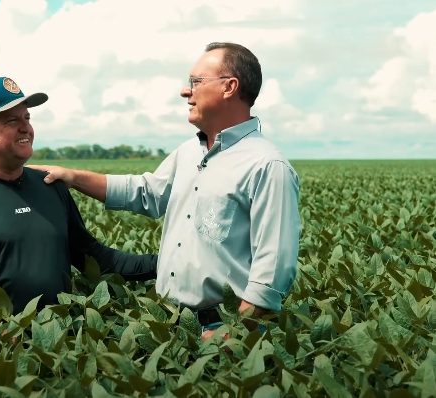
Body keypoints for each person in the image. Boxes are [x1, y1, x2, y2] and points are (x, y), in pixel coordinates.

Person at [27, 42, 302, 342]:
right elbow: (145, 192)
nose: (186, 92)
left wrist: (234, 333)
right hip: (169, 324)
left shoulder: (267, 165)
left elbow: (273, 268)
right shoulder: (188, 152)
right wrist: (73, 176)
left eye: (196, 82)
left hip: (221, 332)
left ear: (229, 87)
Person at [0, 76, 158, 317]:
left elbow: (95, 257)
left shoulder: (51, 186)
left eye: (27, 117)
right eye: (12, 121)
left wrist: (166, 263)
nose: (27, 128)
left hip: (58, 346)